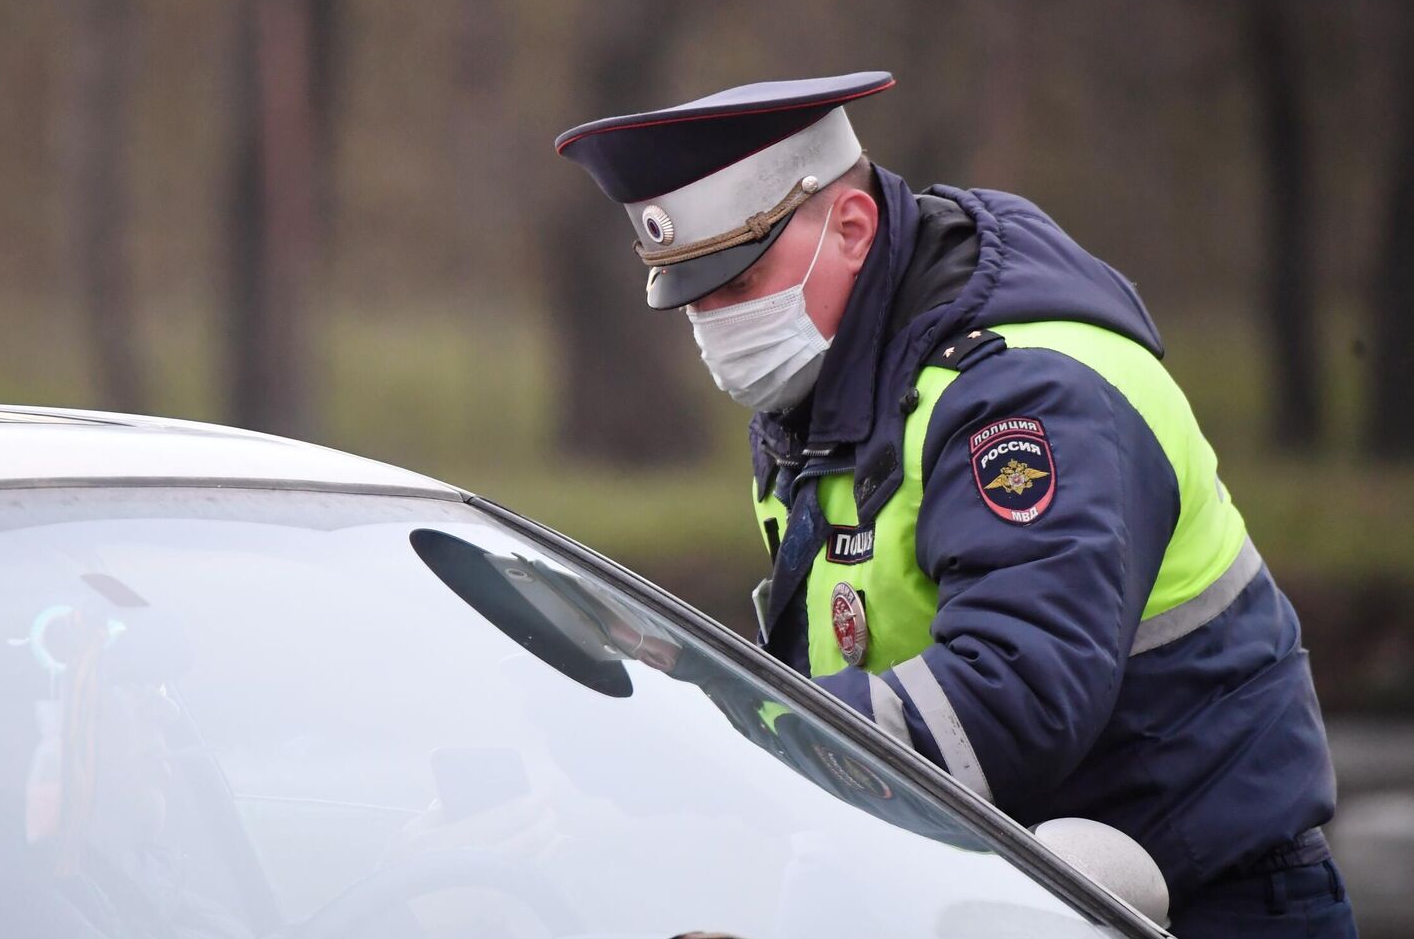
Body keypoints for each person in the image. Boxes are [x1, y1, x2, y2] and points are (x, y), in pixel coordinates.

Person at [555, 72, 1356, 938]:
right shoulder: (826, 384)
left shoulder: (1026, 392)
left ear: (853, 230)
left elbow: (1017, 694)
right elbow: (851, 650)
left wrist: (741, 735)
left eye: (738, 282)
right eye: (691, 295)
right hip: (999, 884)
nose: (715, 322)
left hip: (1201, 901)